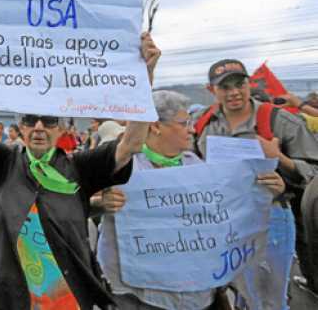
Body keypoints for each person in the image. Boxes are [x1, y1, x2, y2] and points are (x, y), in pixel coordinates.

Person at [0, 21, 160, 310]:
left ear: (60, 130)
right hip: (14, 295)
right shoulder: (4, 162)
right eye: (30, 120)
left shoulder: (79, 166)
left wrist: (145, 75)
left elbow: (131, 143)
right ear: (20, 128)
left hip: (69, 296)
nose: (39, 127)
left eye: (49, 121)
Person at [97, 90, 284, 310]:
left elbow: (226, 215)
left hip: (198, 295)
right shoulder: (123, 167)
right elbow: (85, 201)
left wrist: (267, 191)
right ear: (156, 126)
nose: (192, 129)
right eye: (184, 123)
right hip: (142, 296)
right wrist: (101, 202)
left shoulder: (196, 165)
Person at [194, 59, 318, 310]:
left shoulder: (278, 119)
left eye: (239, 84)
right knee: (241, 294)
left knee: (271, 300)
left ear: (249, 83)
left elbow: (314, 172)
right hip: (223, 220)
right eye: (224, 87)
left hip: (270, 217)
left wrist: (280, 160)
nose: (234, 93)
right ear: (211, 90)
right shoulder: (201, 124)